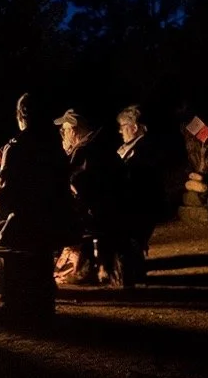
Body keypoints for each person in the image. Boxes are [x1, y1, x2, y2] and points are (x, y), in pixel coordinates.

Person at [0, 93, 74, 324]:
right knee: (26, 237)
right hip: (57, 225)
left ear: (22, 116)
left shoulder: (16, 148)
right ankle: (40, 301)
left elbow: (3, 198)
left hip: (26, 228)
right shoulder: (56, 146)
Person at [53, 108, 125, 287]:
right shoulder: (100, 145)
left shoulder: (84, 151)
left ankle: (72, 268)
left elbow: (78, 187)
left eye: (65, 130)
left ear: (74, 130)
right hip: (112, 208)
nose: (62, 134)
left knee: (50, 219)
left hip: (97, 213)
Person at [115, 105, 162, 285]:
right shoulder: (132, 147)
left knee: (132, 239)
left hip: (139, 204)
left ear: (134, 127)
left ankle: (132, 279)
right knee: (132, 241)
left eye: (123, 125)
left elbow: (138, 178)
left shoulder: (144, 149)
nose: (120, 130)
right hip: (134, 202)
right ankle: (133, 276)